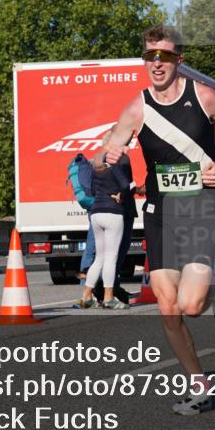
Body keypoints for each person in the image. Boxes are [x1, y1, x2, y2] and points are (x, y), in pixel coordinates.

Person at [95, 24, 215, 415]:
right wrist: (107, 157)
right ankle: (199, 384)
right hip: (160, 212)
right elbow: (100, 156)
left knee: (192, 305)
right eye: (150, 57)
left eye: (164, 56)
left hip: (199, 207)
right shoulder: (136, 108)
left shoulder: (204, 97)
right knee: (168, 309)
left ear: (177, 60)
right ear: (145, 61)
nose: (157, 64)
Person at [78, 126, 135, 310]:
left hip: (96, 212)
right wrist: (121, 195)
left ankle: (86, 296)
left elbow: (93, 190)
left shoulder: (96, 164)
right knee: (111, 257)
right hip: (113, 213)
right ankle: (109, 297)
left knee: (99, 257)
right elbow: (127, 186)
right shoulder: (116, 163)